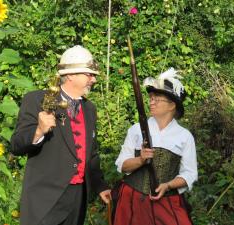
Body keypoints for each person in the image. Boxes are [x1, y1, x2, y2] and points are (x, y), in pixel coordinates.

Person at [10, 45, 111, 225]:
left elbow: (91, 154)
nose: (93, 80)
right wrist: (39, 131)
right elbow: (16, 145)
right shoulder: (36, 100)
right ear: (70, 75)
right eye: (89, 74)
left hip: (77, 199)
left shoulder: (89, 109)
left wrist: (100, 186)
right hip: (45, 199)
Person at [114, 68, 198, 225]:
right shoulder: (136, 129)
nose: (151, 102)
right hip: (132, 199)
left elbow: (190, 174)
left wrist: (168, 185)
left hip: (166, 202)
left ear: (172, 105)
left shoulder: (184, 136)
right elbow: (122, 166)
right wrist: (140, 159)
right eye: (151, 98)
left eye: (157, 98)